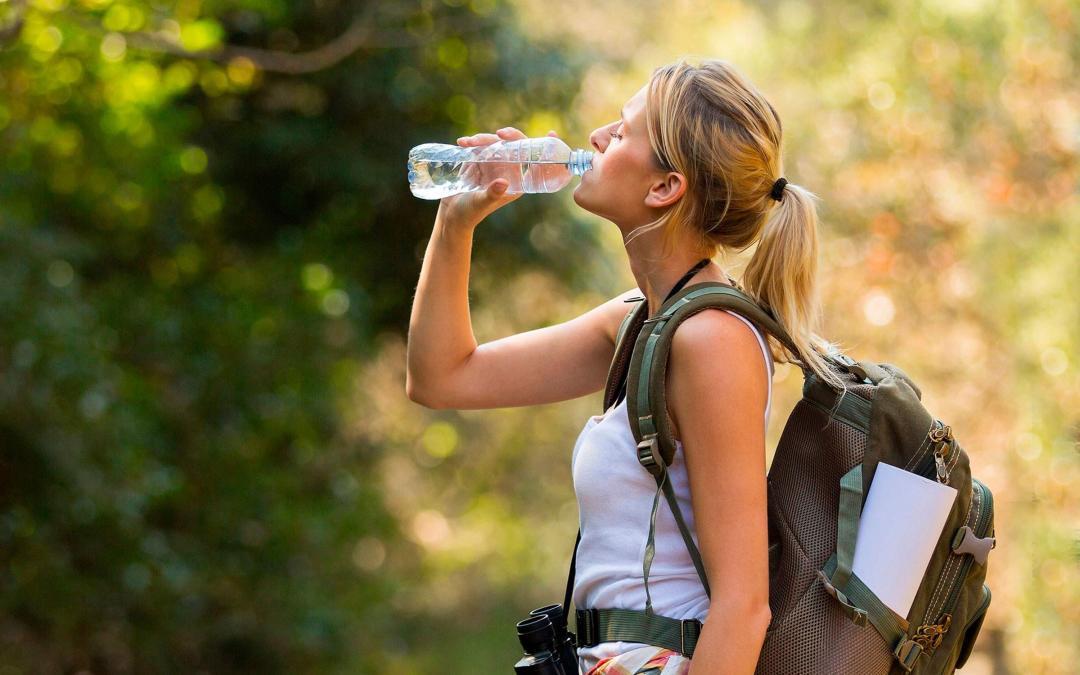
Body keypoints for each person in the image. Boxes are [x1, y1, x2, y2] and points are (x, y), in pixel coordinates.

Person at [405, 57, 846, 675]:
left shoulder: (713, 340)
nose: (595, 139)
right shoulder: (639, 322)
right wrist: (457, 222)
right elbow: (441, 378)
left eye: (622, 130)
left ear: (664, 187)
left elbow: (744, 608)